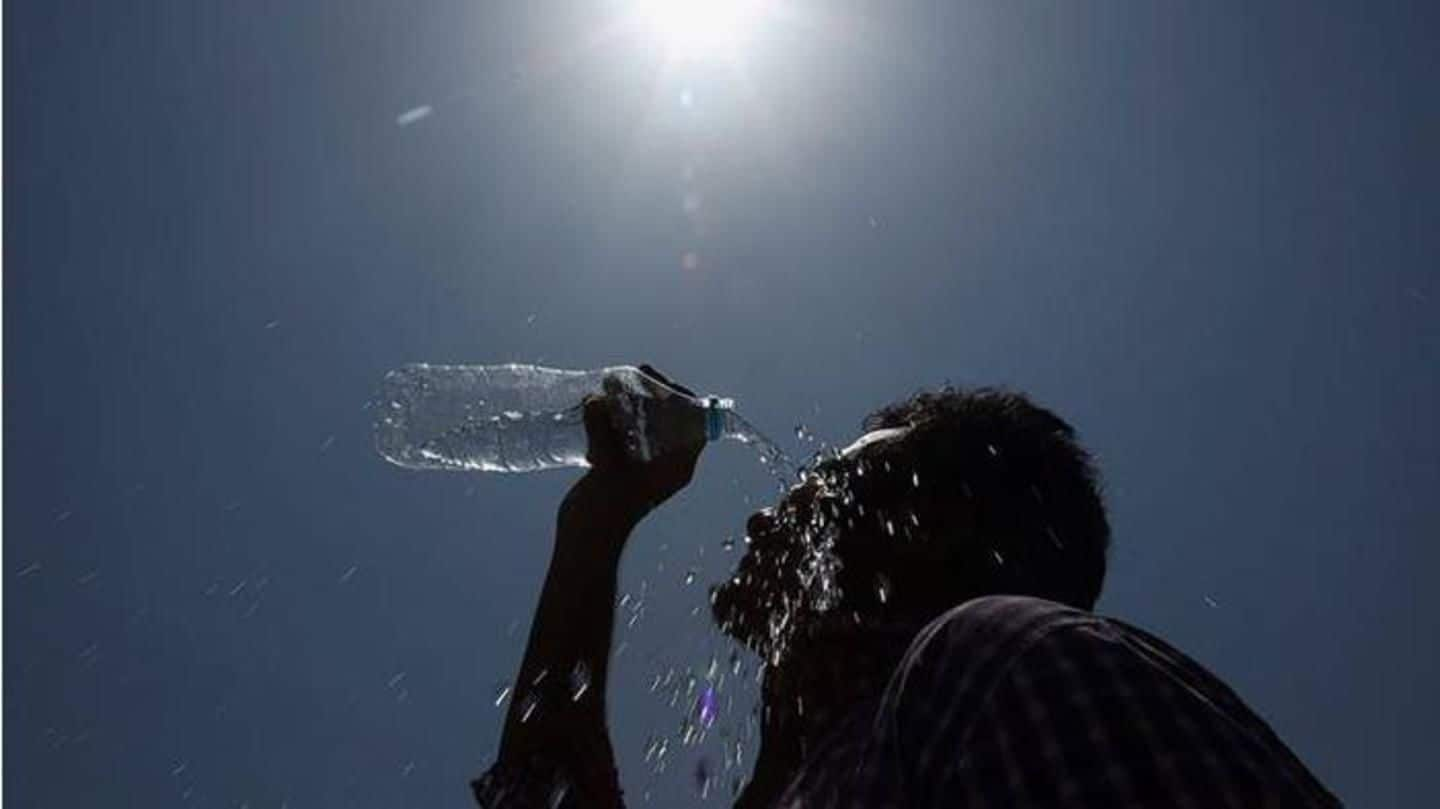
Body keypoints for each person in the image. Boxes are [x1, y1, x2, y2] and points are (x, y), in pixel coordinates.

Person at [474, 370, 1341, 808]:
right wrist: (596, 520)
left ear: (935, 521)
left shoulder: (998, 669)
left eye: (829, 479)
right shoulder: (822, 773)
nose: (768, 518)